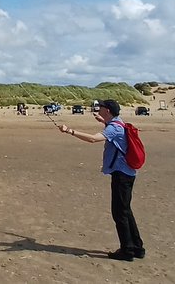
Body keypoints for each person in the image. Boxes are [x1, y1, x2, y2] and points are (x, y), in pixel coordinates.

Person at [57, 99, 145, 261]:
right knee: (125, 211)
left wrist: (69, 131)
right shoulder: (117, 122)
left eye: (101, 107)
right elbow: (112, 131)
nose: (99, 108)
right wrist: (103, 121)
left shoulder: (114, 128)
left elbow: (93, 139)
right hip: (126, 173)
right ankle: (137, 248)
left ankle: (127, 250)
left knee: (119, 213)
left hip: (122, 174)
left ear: (107, 111)